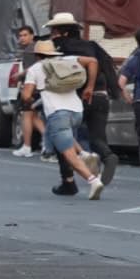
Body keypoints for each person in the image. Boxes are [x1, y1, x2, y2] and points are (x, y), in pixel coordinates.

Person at [22, 40, 103, 199]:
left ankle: (93, 181)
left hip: (57, 113)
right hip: (77, 111)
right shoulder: (68, 60)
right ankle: (85, 154)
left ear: (37, 55)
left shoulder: (35, 69)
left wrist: (30, 99)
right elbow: (93, 61)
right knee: (63, 133)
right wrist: (90, 87)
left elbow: (26, 95)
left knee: (68, 154)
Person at [46, 12, 120, 185]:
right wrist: (114, 91)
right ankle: (107, 156)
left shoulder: (59, 48)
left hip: (75, 100)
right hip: (101, 96)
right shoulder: (92, 45)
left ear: (61, 32)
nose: (52, 35)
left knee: (62, 138)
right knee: (97, 138)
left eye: (53, 31)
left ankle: (68, 181)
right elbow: (108, 67)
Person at [117, 27, 140, 165]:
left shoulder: (134, 59)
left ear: (137, 41)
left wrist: (128, 97)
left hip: (139, 99)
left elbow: (121, 82)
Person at [12, 25, 46, 158]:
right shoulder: (34, 48)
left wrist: (20, 75)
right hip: (39, 87)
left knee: (27, 116)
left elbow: (33, 68)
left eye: (25, 35)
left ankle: (27, 146)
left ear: (32, 35)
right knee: (34, 117)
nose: (22, 38)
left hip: (32, 88)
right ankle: (47, 141)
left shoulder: (30, 50)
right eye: (20, 36)